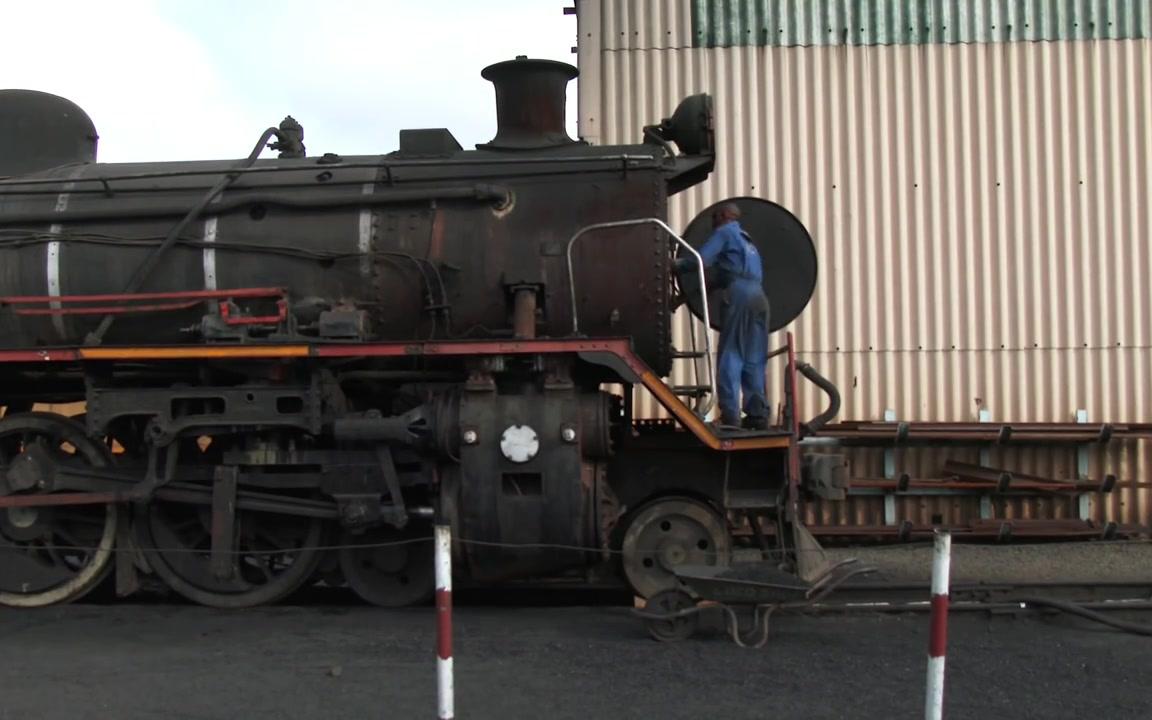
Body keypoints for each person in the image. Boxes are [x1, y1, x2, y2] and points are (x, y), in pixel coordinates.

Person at [675, 203, 771, 430]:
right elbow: (717, 278)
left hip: (739, 295)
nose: (712, 223)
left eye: (714, 218)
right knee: (754, 357)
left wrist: (676, 265)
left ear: (723, 216)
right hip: (759, 297)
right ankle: (758, 415)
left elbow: (701, 260)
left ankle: (731, 414)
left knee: (731, 353)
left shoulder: (724, 232)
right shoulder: (747, 241)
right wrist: (684, 298)